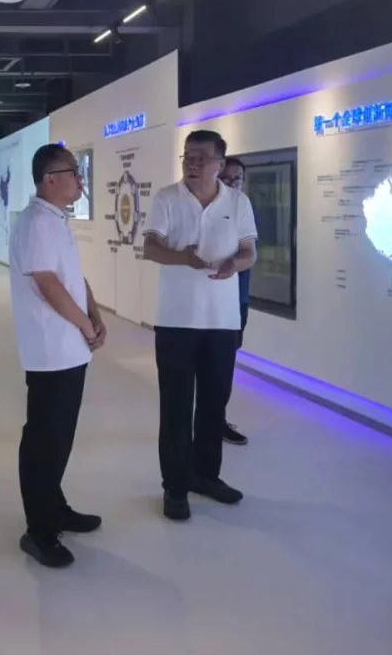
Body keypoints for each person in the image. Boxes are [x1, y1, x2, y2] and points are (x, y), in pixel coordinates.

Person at [143, 130, 257, 522]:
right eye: (187, 157)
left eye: (201, 158)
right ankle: (175, 488)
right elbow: (150, 247)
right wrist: (184, 259)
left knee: (213, 403)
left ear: (220, 164)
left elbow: (249, 251)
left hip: (222, 323)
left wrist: (234, 265)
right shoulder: (167, 198)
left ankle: (206, 476)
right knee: (176, 407)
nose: (192, 164)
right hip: (176, 321)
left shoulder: (238, 202)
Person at [8, 143, 107, 569]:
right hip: (50, 349)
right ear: (50, 179)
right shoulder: (35, 222)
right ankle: (38, 529)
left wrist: (94, 314)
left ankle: (55, 506)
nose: (81, 180)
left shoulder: (56, 220)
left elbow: (72, 277)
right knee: (44, 439)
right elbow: (47, 284)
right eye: (74, 172)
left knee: (60, 435)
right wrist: (85, 325)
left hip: (69, 348)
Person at [218, 157, 250, 446]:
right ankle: (211, 419)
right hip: (213, 303)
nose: (232, 184)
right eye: (226, 179)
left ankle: (216, 418)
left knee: (226, 363)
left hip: (238, 301)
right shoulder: (211, 210)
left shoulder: (244, 209)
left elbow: (249, 253)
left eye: (237, 179)